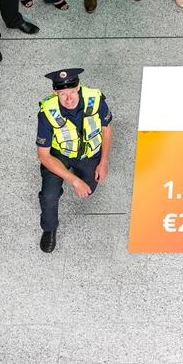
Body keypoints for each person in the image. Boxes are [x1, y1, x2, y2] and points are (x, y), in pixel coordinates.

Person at [36, 67, 112, 253]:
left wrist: (103, 162)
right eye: (63, 94)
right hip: (59, 154)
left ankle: (80, 175)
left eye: (71, 92)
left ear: (78, 87)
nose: (69, 99)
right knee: (48, 196)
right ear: (55, 92)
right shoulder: (47, 111)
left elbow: (106, 128)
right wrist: (74, 181)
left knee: (89, 189)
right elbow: (43, 155)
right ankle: (49, 228)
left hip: (88, 152)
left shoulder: (95, 99)